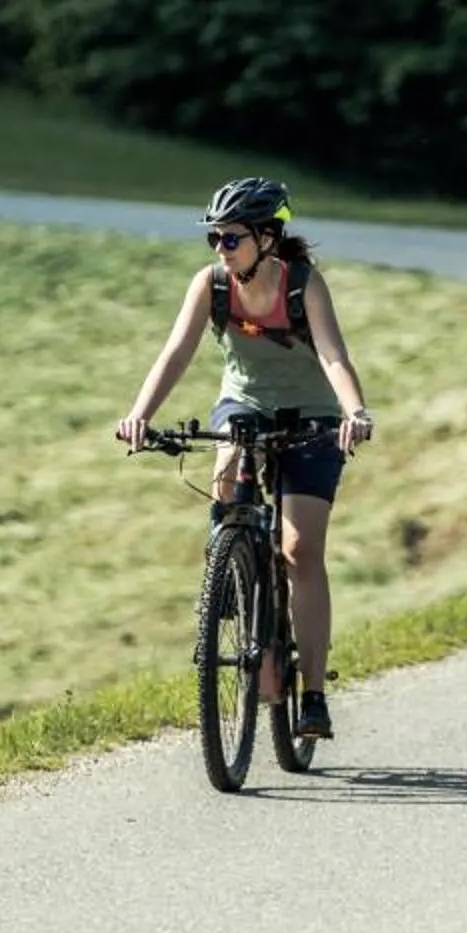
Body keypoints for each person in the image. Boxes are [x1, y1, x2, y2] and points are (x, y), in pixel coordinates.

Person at [115, 177, 374, 740]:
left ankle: (313, 695)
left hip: (312, 414)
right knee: (228, 481)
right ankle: (228, 576)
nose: (219, 249)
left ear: (266, 237)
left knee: (300, 549)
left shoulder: (303, 284)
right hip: (245, 404)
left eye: (231, 239)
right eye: (215, 238)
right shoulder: (211, 286)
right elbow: (175, 352)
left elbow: (333, 357)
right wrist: (139, 413)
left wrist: (355, 412)